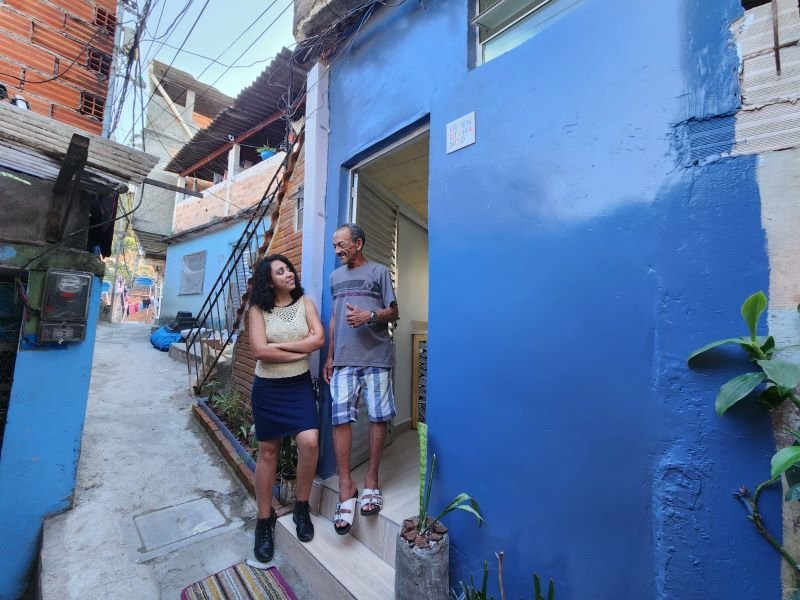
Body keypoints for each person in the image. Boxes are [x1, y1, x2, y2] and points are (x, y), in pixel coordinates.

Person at [323, 223, 399, 535]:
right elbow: (334, 318)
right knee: (340, 420)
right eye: (334, 246)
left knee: (379, 418)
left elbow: (394, 312)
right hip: (342, 358)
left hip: (376, 357)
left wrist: (369, 316)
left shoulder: (379, 272)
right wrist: (329, 356)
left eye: (342, 244)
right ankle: (345, 486)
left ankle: (371, 480)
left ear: (358, 242)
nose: (337, 250)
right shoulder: (334, 278)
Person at [248, 254, 324, 561]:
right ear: (270, 281)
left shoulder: (305, 303)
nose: (289, 274)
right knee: (268, 452)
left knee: (309, 442)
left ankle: (301, 507)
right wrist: (296, 351)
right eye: (280, 272)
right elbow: (257, 350)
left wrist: (278, 348)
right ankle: (264, 521)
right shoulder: (257, 310)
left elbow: (318, 339)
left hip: (299, 386)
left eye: (289, 268)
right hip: (268, 389)